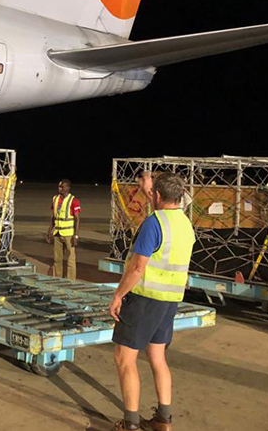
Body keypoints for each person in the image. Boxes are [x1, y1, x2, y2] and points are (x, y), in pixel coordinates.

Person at [108, 172, 195, 431]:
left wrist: (118, 295)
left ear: (157, 195)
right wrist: (151, 188)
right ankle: (163, 420)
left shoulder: (153, 223)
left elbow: (137, 267)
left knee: (125, 358)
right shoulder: (184, 222)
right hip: (170, 300)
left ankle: (131, 423)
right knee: (157, 356)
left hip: (144, 298)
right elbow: (166, 207)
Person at [46, 178, 81, 280]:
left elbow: (77, 219)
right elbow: (54, 217)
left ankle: (71, 281)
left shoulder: (73, 200)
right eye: (59, 186)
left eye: (62, 186)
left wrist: (76, 235)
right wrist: (49, 231)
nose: (60, 188)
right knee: (57, 260)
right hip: (57, 233)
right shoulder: (55, 199)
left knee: (70, 260)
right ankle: (58, 279)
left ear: (68, 188)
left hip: (69, 234)